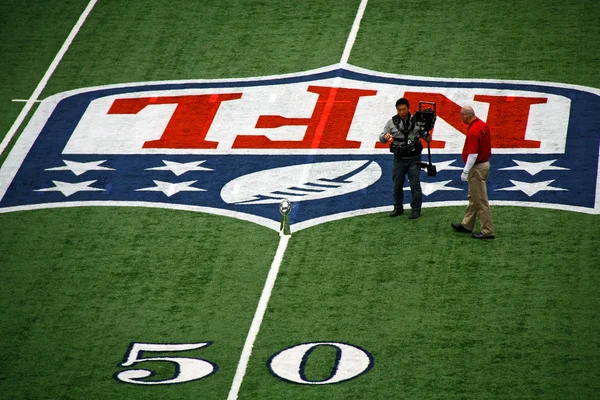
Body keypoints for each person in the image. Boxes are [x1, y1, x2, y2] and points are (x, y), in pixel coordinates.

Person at [380, 98, 431, 219]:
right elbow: (382, 138)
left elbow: (428, 139)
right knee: (397, 184)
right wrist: (385, 137)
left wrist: (427, 128)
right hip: (399, 159)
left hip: (414, 158)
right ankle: (398, 208)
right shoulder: (391, 122)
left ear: (409, 108)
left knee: (415, 184)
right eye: (399, 110)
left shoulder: (417, 121)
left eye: (404, 109)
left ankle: (416, 210)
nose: (402, 112)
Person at [451, 106, 495, 239]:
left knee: (480, 200)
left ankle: (487, 230)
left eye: (461, 116)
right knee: (474, 196)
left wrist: (465, 171)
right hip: (484, 164)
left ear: (465, 116)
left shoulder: (472, 131)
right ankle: (467, 224)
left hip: (477, 168)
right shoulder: (482, 125)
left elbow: (473, 155)